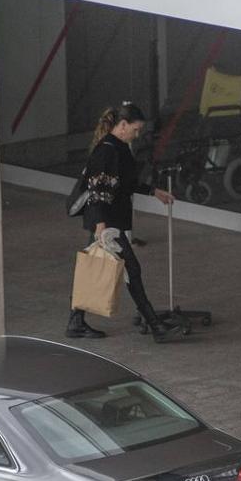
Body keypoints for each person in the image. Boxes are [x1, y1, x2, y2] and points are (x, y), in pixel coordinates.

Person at [66, 103, 175, 342]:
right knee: (131, 269)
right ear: (122, 125)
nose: (137, 134)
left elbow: (124, 183)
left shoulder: (118, 148)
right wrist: (101, 226)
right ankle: (155, 326)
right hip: (107, 223)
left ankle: (75, 322)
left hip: (107, 221)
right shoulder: (107, 151)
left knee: (94, 268)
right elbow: (98, 192)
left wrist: (153, 191)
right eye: (135, 129)